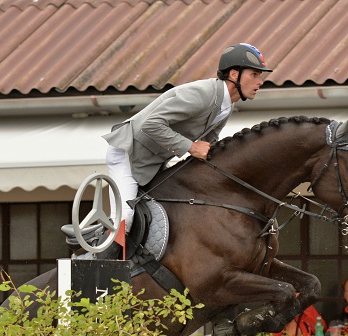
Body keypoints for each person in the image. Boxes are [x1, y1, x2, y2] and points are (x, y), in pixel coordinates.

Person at [98, 43, 272, 258]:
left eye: (260, 76)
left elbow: (209, 144)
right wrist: (190, 147)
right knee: (125, 216)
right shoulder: (202, 94)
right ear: (234, 74)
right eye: (254, 74)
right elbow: (151, 125)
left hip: (153, 158)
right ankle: (103, 267)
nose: (260, 82)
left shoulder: (226, 105)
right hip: (128, 152)